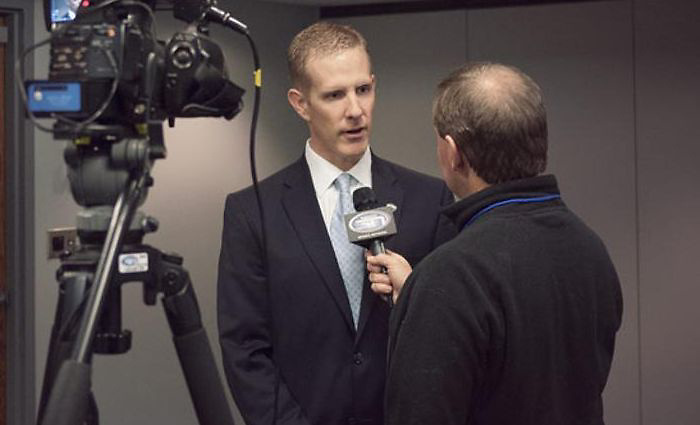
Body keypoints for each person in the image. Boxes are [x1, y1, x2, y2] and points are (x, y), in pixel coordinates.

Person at [217, 22, 455, 425]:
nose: (355, 111)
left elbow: (452, 337)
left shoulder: (429, 200)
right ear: (300, 103)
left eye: (363, 89)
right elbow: (245, 350)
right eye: (334, 95)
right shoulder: (252, 211)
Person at [367, 62, 623, 425]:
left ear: (453, 152)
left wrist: (427, 298)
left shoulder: (451, 276)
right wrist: (419, 295)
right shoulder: (590, 250)